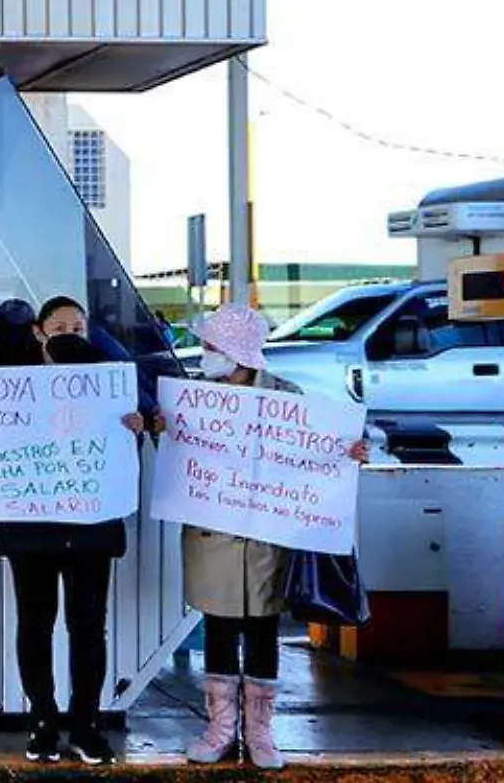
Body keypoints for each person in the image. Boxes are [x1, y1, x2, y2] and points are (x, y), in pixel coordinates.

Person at [0, 305, 145, 766]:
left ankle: (86, 726)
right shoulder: (8, 384)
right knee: (36, 624)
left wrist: (134, 428)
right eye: (60, 328)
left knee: (89, 628)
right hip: (30, 526)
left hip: (90, 526)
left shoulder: (111, 384)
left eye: (78, 327)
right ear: (38, 333)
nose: (71, 334)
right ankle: (44, 722)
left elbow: (134, 443)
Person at [176, 303, 368, 770]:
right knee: (219, 630)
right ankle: (220, 729)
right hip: (212, 533)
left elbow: (316, 450)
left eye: (211, 347)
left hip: (268, 539)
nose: (205, 355)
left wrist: (349, 451)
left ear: (238, 352)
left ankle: (260, 732)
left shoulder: (287, 397)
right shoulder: (192, 396)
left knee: (263, 632)